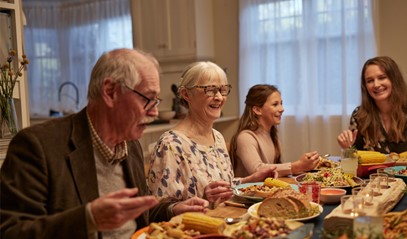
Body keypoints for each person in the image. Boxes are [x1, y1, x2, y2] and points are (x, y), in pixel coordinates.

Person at [0, 49, 209, 239]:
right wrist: (89, 219)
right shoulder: (38, 146)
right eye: (148, 99)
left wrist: (172, 210)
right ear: (110, 92)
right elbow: (12, 232)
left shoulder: (131, 144)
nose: (154, 112)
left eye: (156, 102)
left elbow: (136, 215)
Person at [147, 61, 277, 205]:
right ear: (186, 94)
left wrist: (252, 179)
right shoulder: (171, 144)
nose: (219, 98)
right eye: (210, 90)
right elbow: (159, 209)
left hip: (226, 219)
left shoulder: (218, 137)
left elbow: (225, 185)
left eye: (222, 90)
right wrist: (204, 199)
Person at [228, 84, 320, 178]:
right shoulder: (245, 138)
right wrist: (297, 166)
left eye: (281, 103)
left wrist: (304, 166)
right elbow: (257, 170)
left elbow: (274, 172)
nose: (282, 109)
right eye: (275, 104)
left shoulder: (271, 134)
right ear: (257, 110)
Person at [337, 56, 407, 153]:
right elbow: (355, 159)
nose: (376, 85)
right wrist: (347, 147)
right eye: (370, 81)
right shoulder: (359, 115)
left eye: (382, 78)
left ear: (394, 80)